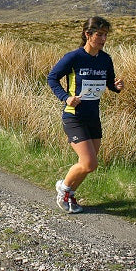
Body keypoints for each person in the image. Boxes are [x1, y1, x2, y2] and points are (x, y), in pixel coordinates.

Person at [47, 16, 124, 213]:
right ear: (87, 34)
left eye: (106, 35)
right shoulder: (74, 57)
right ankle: (63, 191)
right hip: (74, 116)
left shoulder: (105, 59)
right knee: (89, 163)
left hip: (93, 117)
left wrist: (116, 87)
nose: (103, 39)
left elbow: (108, 82)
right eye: (99, 34)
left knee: (88, 164)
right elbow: (52, 78)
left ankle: (69, 191)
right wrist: (66, 97)